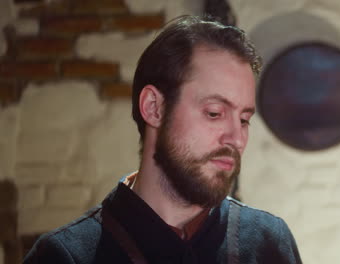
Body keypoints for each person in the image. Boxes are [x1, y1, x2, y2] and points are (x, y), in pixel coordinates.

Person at [24, 15, 302, 264]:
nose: (237, 139)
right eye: (215, 113)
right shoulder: (63, 256)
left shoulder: (269, 243)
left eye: (243, 119)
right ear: (154, 108)